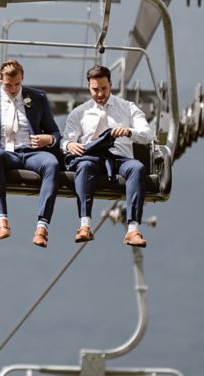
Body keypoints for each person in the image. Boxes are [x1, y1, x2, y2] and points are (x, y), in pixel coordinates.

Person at [62, 64, 153, 246]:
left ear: (110, 84)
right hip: (92, 158)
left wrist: (128, 132)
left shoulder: (127, 108)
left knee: (137, 168)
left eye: (104, 88)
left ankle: (133, 228)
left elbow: (147, 135)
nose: (101, 94)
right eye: (96, 90)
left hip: (121, 159)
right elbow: (65, 141)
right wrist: (70, 144)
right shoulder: (79, 113)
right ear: (89, 87)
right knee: (85, 166)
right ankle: (85, 225)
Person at [0, 59, 61, 247]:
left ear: (22, 79)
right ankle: (2, 218)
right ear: (0, 79)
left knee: (52, 163)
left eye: (17, 84)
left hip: (32, 153)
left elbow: (55, 132)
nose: (13, 89)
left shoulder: (37, 98)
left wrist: (49, 139)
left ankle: (42, 225)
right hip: (5, 153)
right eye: (8, 85)